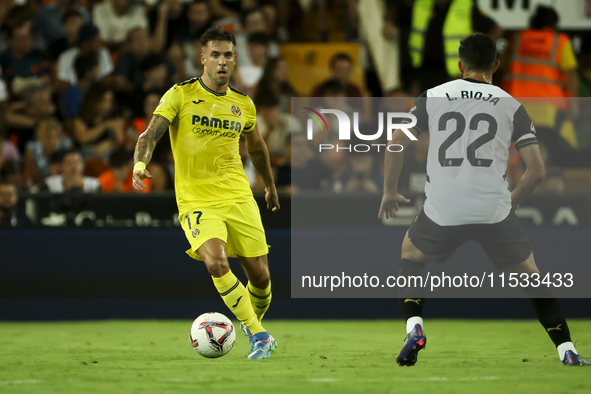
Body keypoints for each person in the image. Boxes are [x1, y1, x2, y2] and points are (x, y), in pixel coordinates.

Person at [378, 33, 589, 367]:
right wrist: (512, 202)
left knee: (410, 255)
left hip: (443, 207)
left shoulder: (432, 96)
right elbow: (536, 171)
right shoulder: (511, 104)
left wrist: (389, 191)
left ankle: (414, 329)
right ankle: (567, 351)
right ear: (496, 65)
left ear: (460, 65)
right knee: (532, 277)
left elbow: (394, 144)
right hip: (492, 207)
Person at [132, 26, 280, 359]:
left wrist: (269, 186)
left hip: (239, 197)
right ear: (203, 59)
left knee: (261, 277)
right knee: (216, 262)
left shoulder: (243, 104)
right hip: (197, 200)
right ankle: (258, 334)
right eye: (215, 54)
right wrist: (140, 166)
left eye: (228, 54)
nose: (222, 61)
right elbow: (149, 136)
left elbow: (257, 147)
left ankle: (250, 321)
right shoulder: (179, 95)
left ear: (235, 59)